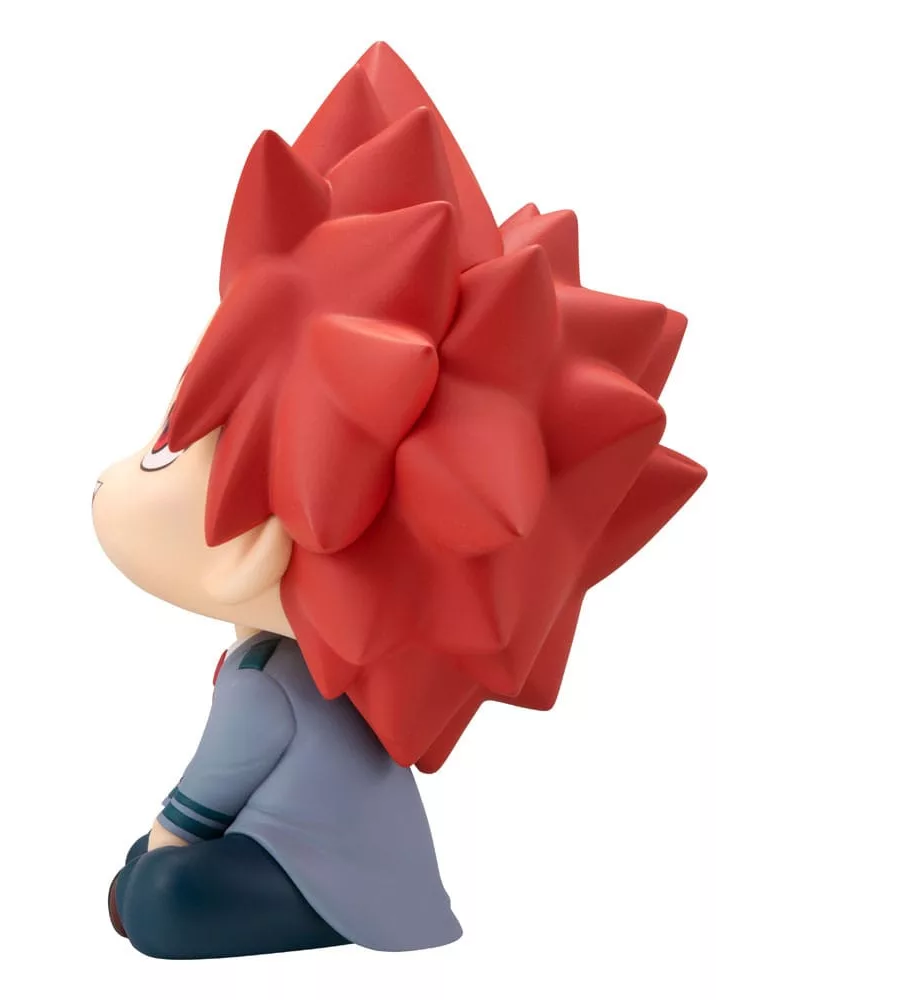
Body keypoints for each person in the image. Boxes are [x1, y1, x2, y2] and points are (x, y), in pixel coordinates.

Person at [91, 40, 705, 960]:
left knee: (157, 892)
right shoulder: (292, 669)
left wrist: (158, 851)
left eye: (169, 452)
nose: (125, 473)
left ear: (254, 548)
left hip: (329, 891)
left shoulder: (263, 684)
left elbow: (200, 800)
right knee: (150, 884)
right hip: (337, 869)